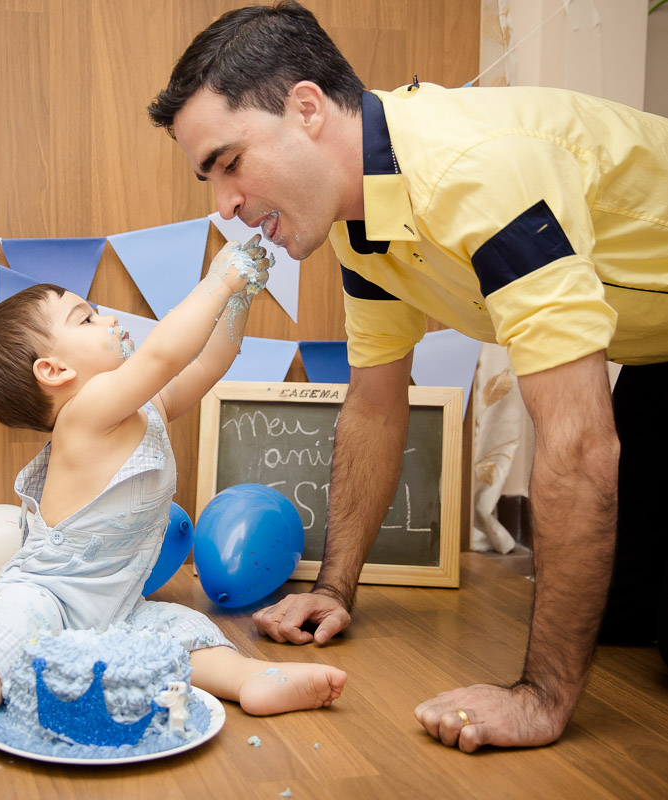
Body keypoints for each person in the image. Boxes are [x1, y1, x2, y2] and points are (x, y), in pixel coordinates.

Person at [147, 0, 668, 755]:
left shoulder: (475, 173)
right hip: (655, 346)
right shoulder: (364, 226)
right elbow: (375, 406)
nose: (224, 204)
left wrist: (541, 698)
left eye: (228, 163)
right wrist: (332, 588)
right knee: (615, 622)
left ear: (306, 108)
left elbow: (580, 442)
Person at [0, 236, 348, 797]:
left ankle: (255, 680)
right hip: (49, 593)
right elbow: (164, 354)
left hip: (118, 603)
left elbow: (211, 361)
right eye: (86, 319)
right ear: (55, 370)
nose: (108, 318)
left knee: (186, 633)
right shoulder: (85, 416)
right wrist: (220, 280)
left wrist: (240, 299)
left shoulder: (144, 407)